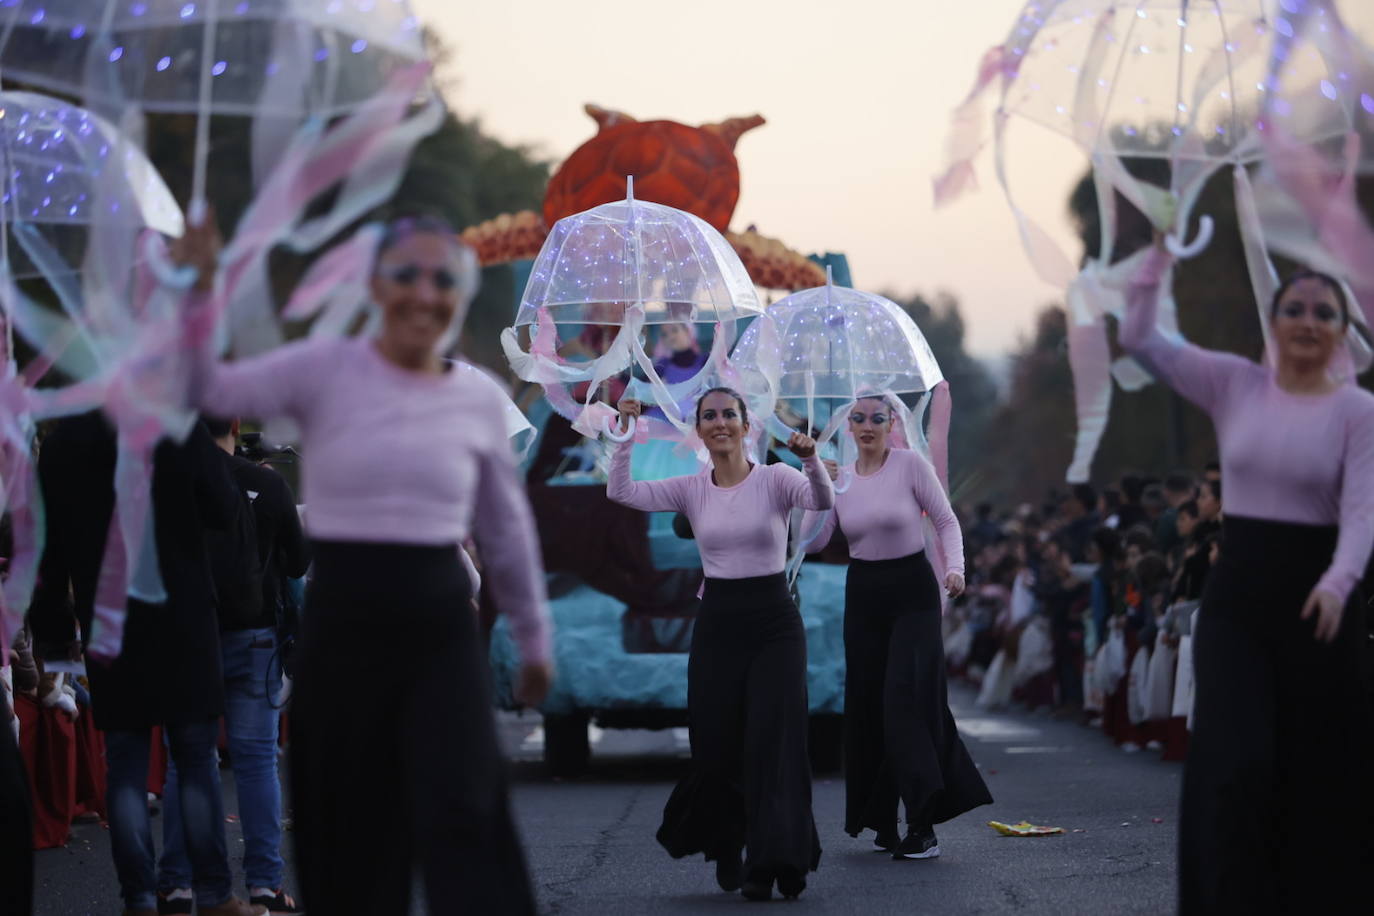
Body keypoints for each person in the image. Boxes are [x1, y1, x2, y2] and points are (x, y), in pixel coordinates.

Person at [176, 214, 554, 916]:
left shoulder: (475, 398)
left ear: (460, 296)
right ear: (374, 285)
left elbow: (507, 531)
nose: (423, 292)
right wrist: (198, 294)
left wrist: (534, 637)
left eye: (443, 278)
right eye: (404, 273)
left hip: (439, 619)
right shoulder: (322, 368)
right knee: (350, 824)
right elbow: (212, 392)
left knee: (467, 812)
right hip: (344, 616)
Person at [1121, 244, 1374, 913]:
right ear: (1274, 321)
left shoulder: (1358, 413)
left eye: (1324, 312)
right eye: (1295, 309)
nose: (1309, 321)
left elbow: (1362, 512)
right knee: (1236, 767)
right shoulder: (1234, 383)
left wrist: (1340, 582)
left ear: (1342, 331)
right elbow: (1140, 338)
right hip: (1236, 602)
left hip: (1320, 606)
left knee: (1316, 778)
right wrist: (1157, 263)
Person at [28, 412, 260, 916]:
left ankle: (139, 898)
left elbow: (44, 548)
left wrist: (52, 631)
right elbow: (224, 508)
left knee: (126, 767)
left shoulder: (65, 441)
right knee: (196, 764)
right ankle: (214, 896)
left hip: (109, 620)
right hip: (184, 618)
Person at [608, 389, 832, 901]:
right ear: (700, 430)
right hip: (718, 623)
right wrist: (624, 433)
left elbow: (821, 501)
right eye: (709, 416)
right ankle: (728, 842)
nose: (719, 423)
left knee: (770, 743)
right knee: (715, 745)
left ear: (746, 423)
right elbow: (622, 493)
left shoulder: (776, 479)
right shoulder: (691, 488)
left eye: (728, 414)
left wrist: (811, 460)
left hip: (774, 622)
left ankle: (774, 859)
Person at [803, 396, 992, 859]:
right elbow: (812, 540)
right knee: (868, 704)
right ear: (849, 426)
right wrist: (817, 483)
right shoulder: (839, 476)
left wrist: (956, 569)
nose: (868, 425)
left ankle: (923, 824)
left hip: (912, 591)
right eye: (859, 418)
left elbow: (946, 520)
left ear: (892, 424)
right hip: (864, 593)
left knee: (904, 702)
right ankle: (880, 817)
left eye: (877, 418)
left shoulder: (909, 465)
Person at [157, 417, 310, 915]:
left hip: (186, 635)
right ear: (236, 422)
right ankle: (265, 884)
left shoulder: (168, 480)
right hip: (255, 633)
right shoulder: (265, 482)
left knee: (185, 761)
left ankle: (177, 884)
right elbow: (296, 562)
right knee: (257, 760)